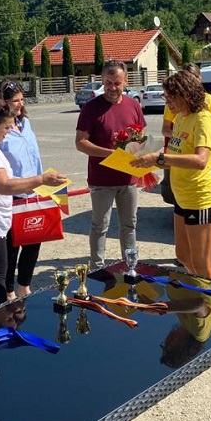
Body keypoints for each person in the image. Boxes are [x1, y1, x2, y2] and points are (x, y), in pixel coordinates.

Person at [0, 99, 66, 314]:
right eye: (7, 127)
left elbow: (6, 179)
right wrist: (40, 180)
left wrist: (29, 184)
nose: (9, 132)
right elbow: (3, 185)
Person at [132, 71, 211, 279]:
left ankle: (207, 298)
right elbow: (176, 157)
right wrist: (145, 162)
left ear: (187, 94)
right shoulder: (180, 118)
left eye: (172, 97)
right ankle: (196, 292)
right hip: (181, 197)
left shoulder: (203, 120)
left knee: (202, 264)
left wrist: (160, 158)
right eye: (166, 97)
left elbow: (200, 160)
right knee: (182, 255)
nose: (167, 102)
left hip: (199, 199)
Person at [75, 60, 146, 270]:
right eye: (108, 83)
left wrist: (139, 151)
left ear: (126, 81)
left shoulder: (133, 105)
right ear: (102, 80)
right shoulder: (91, 108)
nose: (112, 88)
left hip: (128, 178)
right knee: (100, 226)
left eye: (117, 83)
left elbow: (140, 137)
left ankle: (130, 265)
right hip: (102, 179)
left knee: (129, 225)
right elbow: (80, 142)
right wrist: (111, 154)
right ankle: (97, 268)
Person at [0, 79, 49, 300]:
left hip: (33, 191)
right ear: (3, 102)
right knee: (11, 247)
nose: (20, 104)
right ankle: (9, 290)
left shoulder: (26, 123)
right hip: (11, 194)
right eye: (15, 100)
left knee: (34, 241)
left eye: (22, 99)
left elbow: (34, 156)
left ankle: (24, 285)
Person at [160, 63, 211, 140]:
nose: (167, 102)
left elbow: (210, 127)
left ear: (199, 78)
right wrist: (180, 137)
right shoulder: (177, 113)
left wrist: (186, 138)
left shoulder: (204, 116)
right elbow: (165, 129)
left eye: (191, 79)